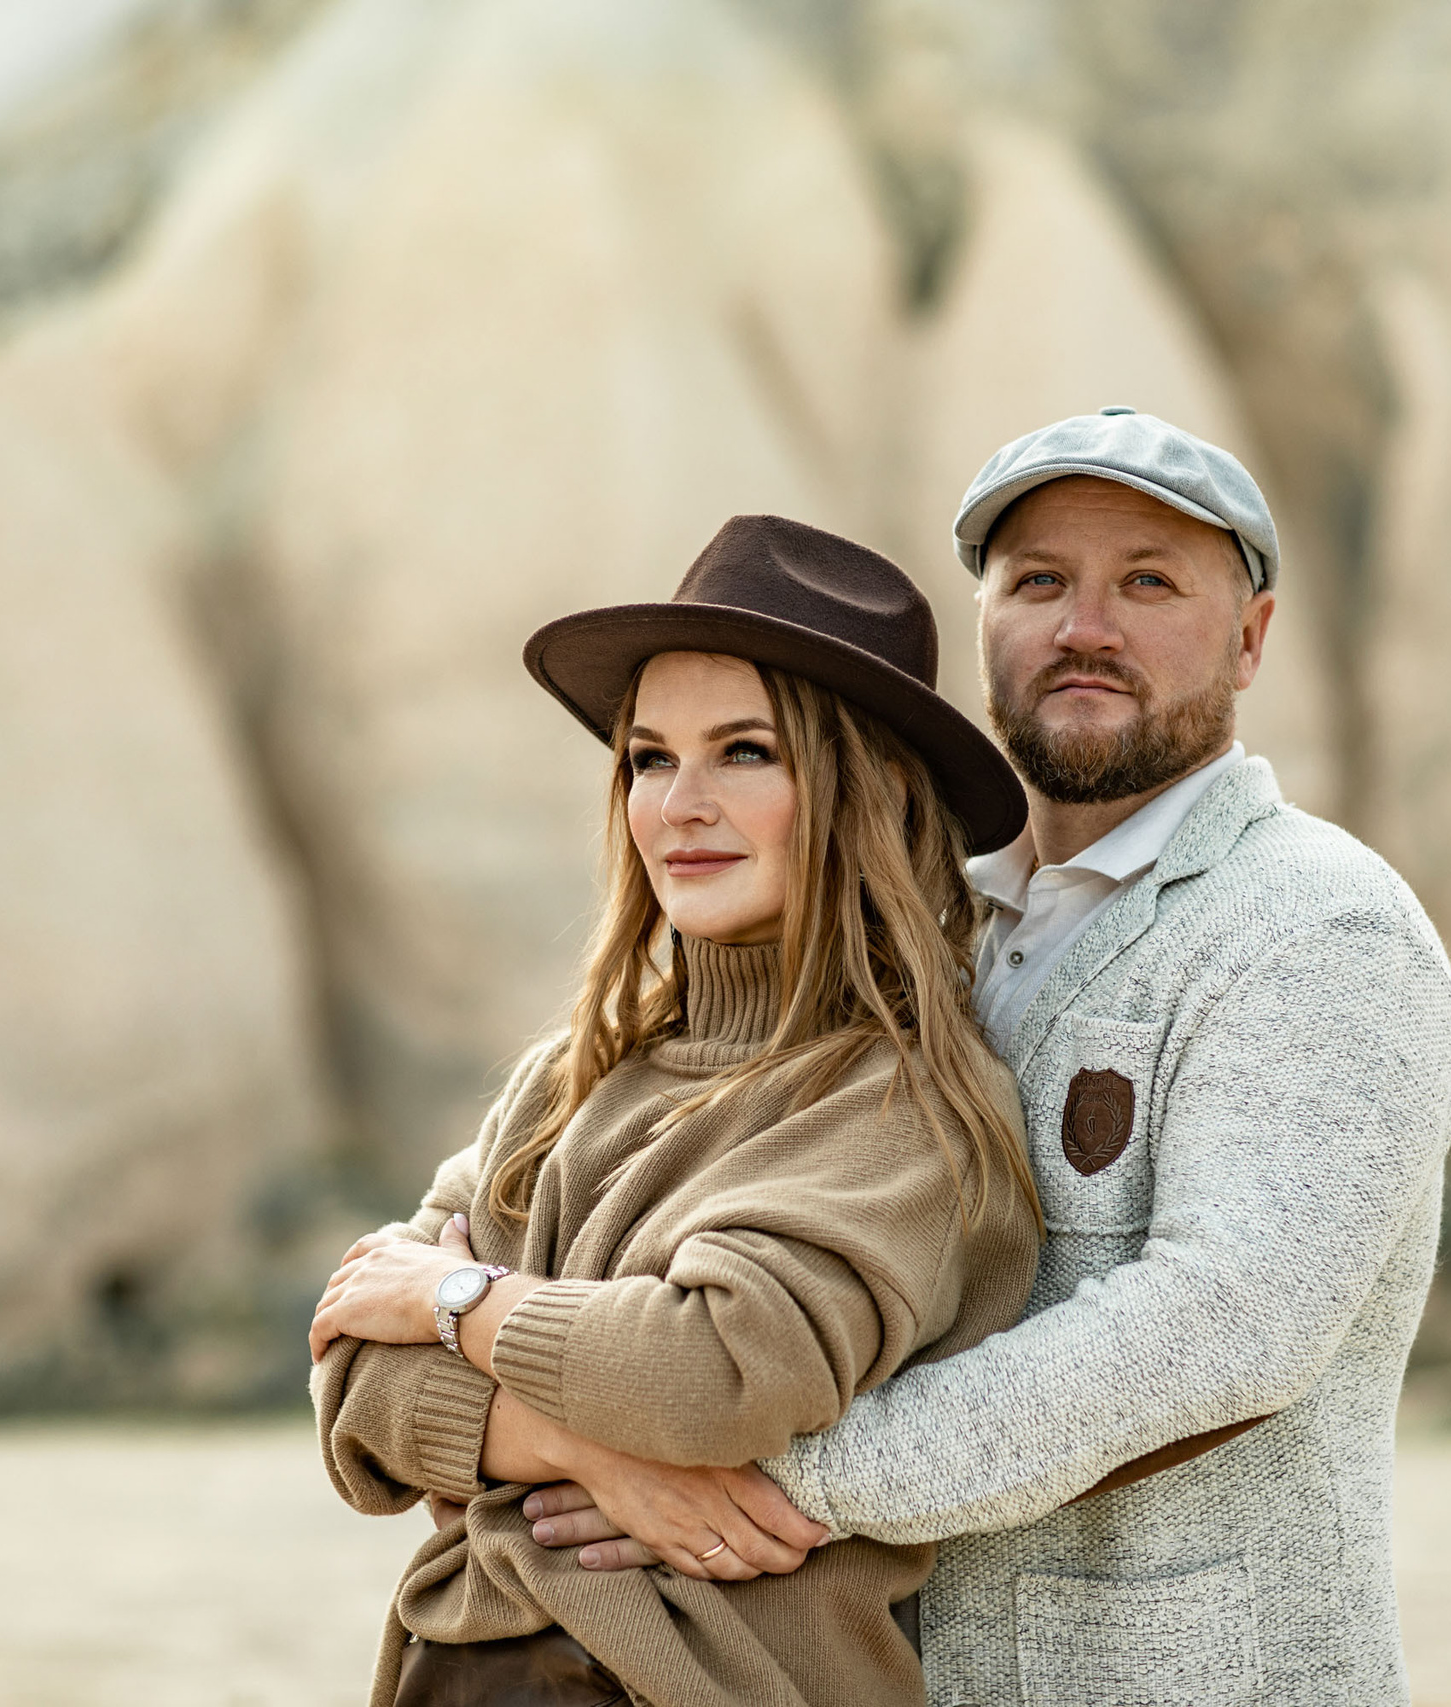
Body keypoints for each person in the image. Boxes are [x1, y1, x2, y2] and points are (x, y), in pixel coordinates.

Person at [523, 409, 1451, 1705]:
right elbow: (491, 1222)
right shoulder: (905, 924)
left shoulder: (1319, 927)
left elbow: (1224, 1328)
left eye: (1148, 578)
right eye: (1038, 581)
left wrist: (776, 1482)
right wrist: (558, 1427)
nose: (1086, 624)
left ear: (1251, 634)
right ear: (983, 624)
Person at [308, 514, 1045, 1707]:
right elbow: (353, 1386)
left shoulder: (899, 1102)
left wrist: (450, 1298)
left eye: (744, 752)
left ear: (860, 791)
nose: (680, 804)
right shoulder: (569, 1081)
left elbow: (714, 1371)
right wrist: (584, 1451)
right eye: (650, 758)